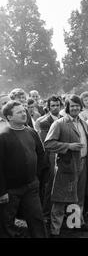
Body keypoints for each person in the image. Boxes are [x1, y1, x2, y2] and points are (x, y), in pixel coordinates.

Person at [44, 94, 88, 236]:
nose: (75, 108)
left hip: (83, 164)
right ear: (67, 107)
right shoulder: (59, 123)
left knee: (78, 197)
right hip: (67, 167)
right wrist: (68, 146)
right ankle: (55, 231)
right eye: (72, 105)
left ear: (81, 107)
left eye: (77, 105)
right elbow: (48, 144)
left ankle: (74, 224)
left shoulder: (83, 123)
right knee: (60, 198)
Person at [0, 101, 48, 238]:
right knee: (6, 224)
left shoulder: (31, 132)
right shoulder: (3, 136)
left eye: (24, 110)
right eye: (19, 112)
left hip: (31, 186)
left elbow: (41, 155)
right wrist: (2, 191)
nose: (24, 114)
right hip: (10, 190)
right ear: (9, 117)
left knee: (37, 219)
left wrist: (36, 178)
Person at [34, 95, 63, 222]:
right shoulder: (43, 121)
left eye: (57, 105)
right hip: (50, 157)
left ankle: (61, 212)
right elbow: (47, 143)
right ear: (48, 107)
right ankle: (46, 214)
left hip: (63, 155)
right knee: (49, 186)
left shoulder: (64, 118)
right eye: (53, 105)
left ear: (61, 106)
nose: (55, 107)